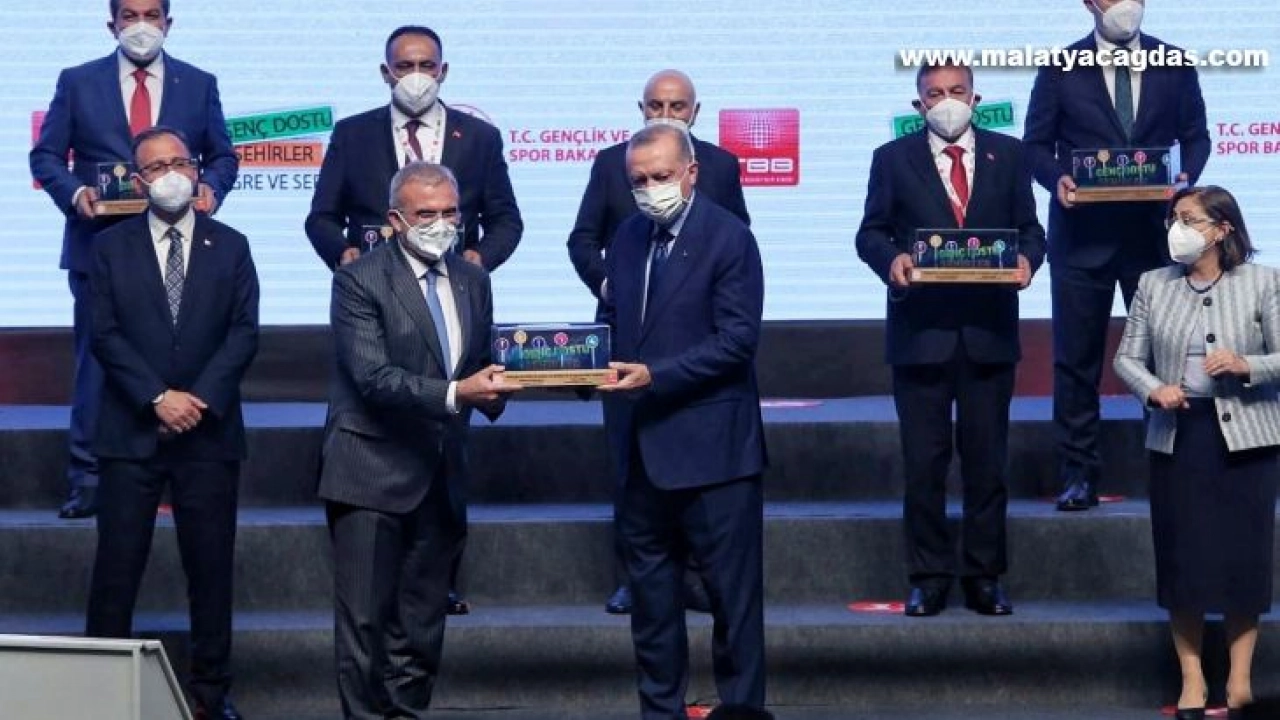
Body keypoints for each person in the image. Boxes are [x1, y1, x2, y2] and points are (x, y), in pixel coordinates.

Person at [318, 161, 521, 719]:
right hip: (369, 472)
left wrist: (502, 388)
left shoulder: (474, 280)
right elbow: (373, 379)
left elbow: (476, 364)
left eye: (450, 213)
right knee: (364, 624)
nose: (441, 224)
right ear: (395, 219)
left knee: (422, 623)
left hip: (440, 472)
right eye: (426, 214)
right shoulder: (358, 280)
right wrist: (459, 392)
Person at [29, 0, 238, 520]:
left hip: (179, 245)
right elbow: (46, 156)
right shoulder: (77, 81)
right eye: (129, 16)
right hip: (98, 245)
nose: (140, 25)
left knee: (180, 357)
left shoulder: (199, 83)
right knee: (97, 363)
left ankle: (174, 476)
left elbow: (223, 156)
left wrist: (211, 188)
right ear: (112, 24)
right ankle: (88, 478)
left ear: (168, 23)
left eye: (151, 15)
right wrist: (75, 193)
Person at [855, 63, 1045, 617]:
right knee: (924, 465)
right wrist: (892, 260)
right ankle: (928, 576)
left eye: (956, 91)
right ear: (919, 104)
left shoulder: (1010, 155)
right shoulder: (891, 159)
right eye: (934, 94)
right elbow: (870, 233)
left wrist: (1028, 261)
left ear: (975, 97)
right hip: (921, 335)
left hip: (989, 334)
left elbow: (1031, 230)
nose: (946, 102)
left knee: (987, 465)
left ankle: (985, 576)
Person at [86, 126, 258, 720]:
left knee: (211, 573)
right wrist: (157, 397)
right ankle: (100, 694)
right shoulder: (109, 248)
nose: (171, 175)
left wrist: (197, 400)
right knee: (116, 570)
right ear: (138, 182)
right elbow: (104, 335)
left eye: (180, 162)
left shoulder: (231, 245)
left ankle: (212, 694)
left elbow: (243, 334)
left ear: (197, 169)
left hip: (209, 435)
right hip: (130, 432)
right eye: (157, 167)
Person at [601, 123, 767, 719]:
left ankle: (742, 712)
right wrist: (571, 368)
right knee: (651, 606)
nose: (651, 189)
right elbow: (612, 324)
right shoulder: (626, 237)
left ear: (691, 173)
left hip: (713, 454)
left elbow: (738, 341)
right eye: (639, 180)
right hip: (640, 453)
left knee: (733, 604)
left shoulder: (729, 239)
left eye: (662, 176)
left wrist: (656, 375)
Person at [567, 68, 746, 616]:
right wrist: (610, 284)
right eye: (655, 105)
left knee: (693, 473)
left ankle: (694, 576)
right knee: (629, 468)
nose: (665, 113)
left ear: (695, 112)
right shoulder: (611, 163)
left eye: (677, 105)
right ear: (640, 108)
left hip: (695, 340)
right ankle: (634, 577)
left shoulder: (721, 165)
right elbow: (582, 239)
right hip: (625, 340)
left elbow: (737, 240)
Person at [1023, 0, 1210, 511]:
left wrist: (1186, 177)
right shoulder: (1060, 68)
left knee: (1164, 357)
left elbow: (1196, 137)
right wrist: (1056, 179)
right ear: (1089, 3)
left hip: (1152, 237)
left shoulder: (1175, 62)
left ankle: (1171, 471)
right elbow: (1035, 146)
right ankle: (1078, 475)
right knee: (1076, 361)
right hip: (1081, 239)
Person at [1113, 186, 1280, 719]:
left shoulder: (1263, 281)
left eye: (1188, 219)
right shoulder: (1152, 284)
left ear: (1221, 229)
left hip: (1246, 441)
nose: (1176, 229)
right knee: (1182, 561)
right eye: (1173, 219)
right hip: (1179, 437)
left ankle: (1239, 682)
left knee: (1242, 563)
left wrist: (1247, 365)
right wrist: (1153, 390)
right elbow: (1126, 359)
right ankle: (1192, 679)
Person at [306, 24, 522, 273]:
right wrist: (342, 252)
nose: (416, 77)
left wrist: (481, 257)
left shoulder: (480, 137)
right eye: (405, 66)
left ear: (443, 71)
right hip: (371, 280)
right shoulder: (352, 134)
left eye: (427, 66)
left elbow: (505, 219)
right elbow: (322, 217)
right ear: (386, 72)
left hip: (455, 279)